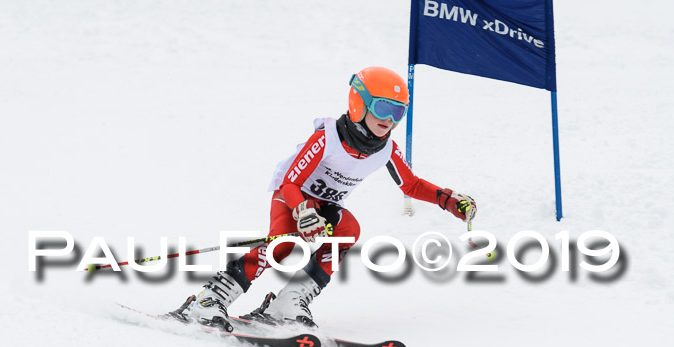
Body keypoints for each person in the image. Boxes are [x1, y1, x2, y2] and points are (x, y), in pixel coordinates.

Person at [169, 67, 477, 331]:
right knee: (282, 244)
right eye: (382, 108)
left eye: (398, 111)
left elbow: (410, 185)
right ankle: (209, 299)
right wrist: (303, 209)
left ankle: (288, 304)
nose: (389, 119)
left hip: (326, 208)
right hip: (293, 197)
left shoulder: (385, 149)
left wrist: (449, 201)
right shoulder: (328, 136)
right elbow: (291, 181)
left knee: (349, 231)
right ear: (360, 103)